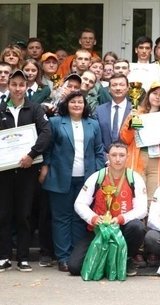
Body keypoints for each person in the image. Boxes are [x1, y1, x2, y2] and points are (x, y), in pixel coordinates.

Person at [0, 70, 53, 273]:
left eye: (21, 85)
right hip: (4, 172)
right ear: (8, 86)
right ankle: (4, 257)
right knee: (5, 214)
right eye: (14, 84)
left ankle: (23, 258)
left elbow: (46, 133)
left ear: (26, 87)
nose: (17, 88)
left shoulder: (34, 109)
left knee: (24, 214)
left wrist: (32, 155)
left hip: (27, 170)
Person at [42, 90, 105, 273]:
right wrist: (46, 167)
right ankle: (63, 257)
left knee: (79, 217)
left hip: (86, 179)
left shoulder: (92, 124)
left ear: (85, 105)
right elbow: (47, 148)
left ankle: (76, 256)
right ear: (66, 104)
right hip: (60, 176)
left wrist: (99, 174)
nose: (77, 105)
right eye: (73, 102)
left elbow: (99, 149)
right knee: (61, 218)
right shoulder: (55, 122)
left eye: (80, 102)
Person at [69, 141, 149, 277]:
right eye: (114, 155)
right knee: (75, 268)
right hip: (99, 229)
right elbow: (79, 203)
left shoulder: (134, 178)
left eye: (122, 155)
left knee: (138, 227)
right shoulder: (97, 177)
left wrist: (120, 219)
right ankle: (106, 262)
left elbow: (142, 209)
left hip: (122, 229)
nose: (118, 159)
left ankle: (126, 258)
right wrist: (93, 218)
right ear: (108, 157)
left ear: (127, 157)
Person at [120, 81, 160, 202]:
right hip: (138, 157)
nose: (157, 97)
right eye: (155, 93)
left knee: (154, 196)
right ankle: (137, 221)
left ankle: (150, 220)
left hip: (156, 160)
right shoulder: (136, 112)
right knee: (136, 194)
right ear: (149, 94)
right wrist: (130, 124)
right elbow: (125, 138)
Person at [96, 74, 130, 153]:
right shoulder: (99, 110)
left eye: (121, 85)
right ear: (109, 89)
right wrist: (106, 159)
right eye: (114, 85)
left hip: (130, 159)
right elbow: (96, 139)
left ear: (128, 88)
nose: (118, 88)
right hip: (105, 159)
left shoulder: (135, 111)